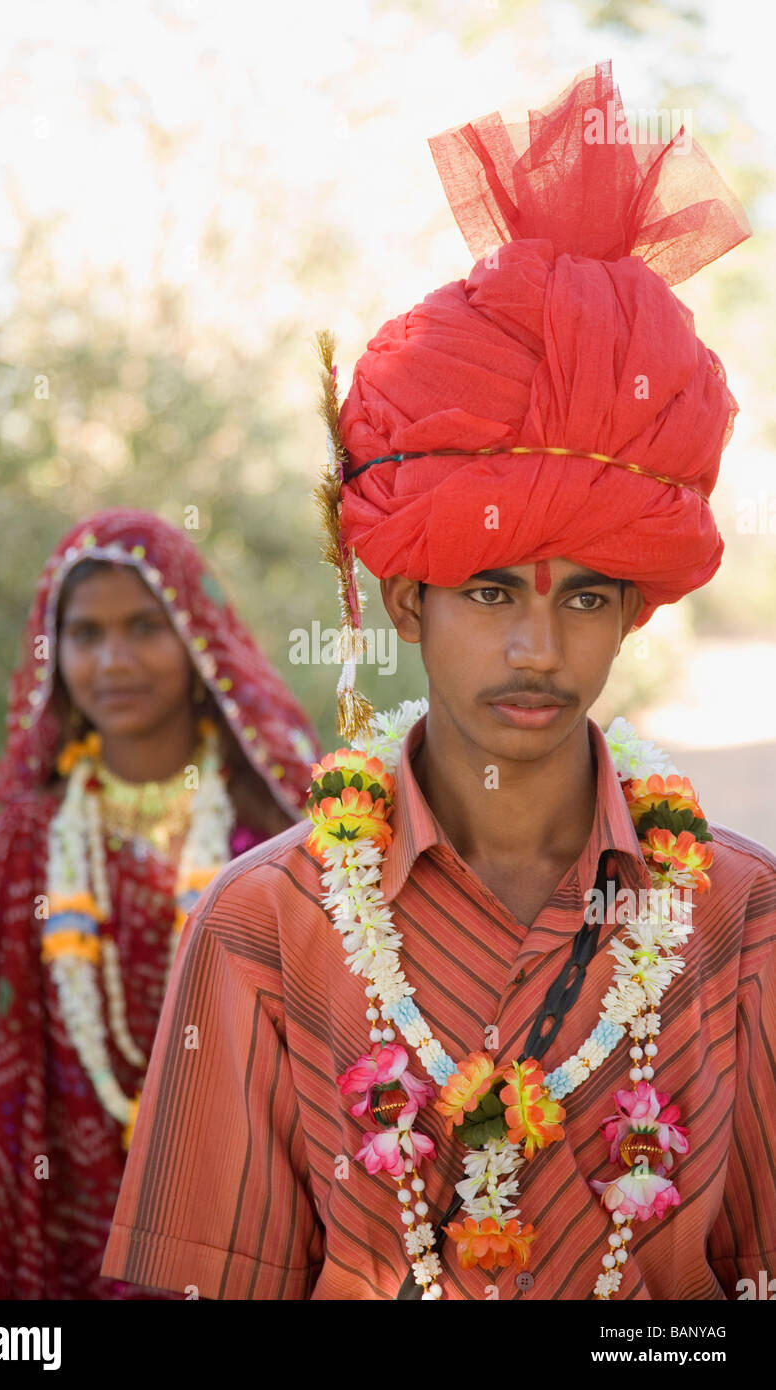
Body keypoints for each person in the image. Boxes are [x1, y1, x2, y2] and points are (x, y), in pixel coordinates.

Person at [101, 64, 775, 1301]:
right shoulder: (267, 926)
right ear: (409, 597)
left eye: (583, 595)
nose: (537, 648)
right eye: (489, 591)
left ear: (631, 607)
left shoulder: (739, 918)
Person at [0, 507, 319, 1299]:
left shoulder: (278, 836)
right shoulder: (17, 851)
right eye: (86, 634)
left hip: (236, 1223)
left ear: (198, 639)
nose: (114, 661)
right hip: (58, 1233)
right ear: (53, 651)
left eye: (145, 627)